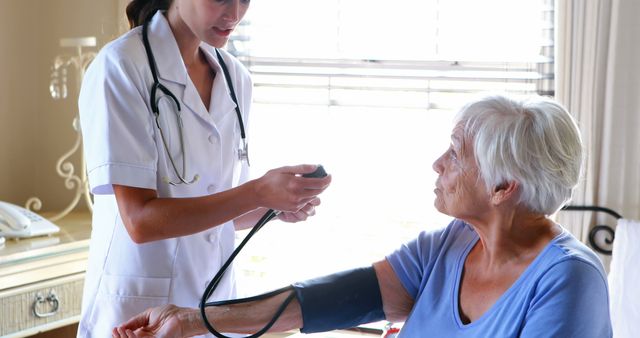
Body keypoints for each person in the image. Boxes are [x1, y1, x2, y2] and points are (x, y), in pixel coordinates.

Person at [112, 94, 612, 338]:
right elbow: (328, 300)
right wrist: (191, 321)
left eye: (456, 154)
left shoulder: (568, 280)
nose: (438, 164)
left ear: (503, 188)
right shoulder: (452, 244)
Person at [77, 0, 332, 337]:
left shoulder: (235, 78)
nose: (234, 13)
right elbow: (140, 222)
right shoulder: (121, 66)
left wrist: (270, 208)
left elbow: (216, 213)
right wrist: (257, 192)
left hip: (212, 311)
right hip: (136, 316)